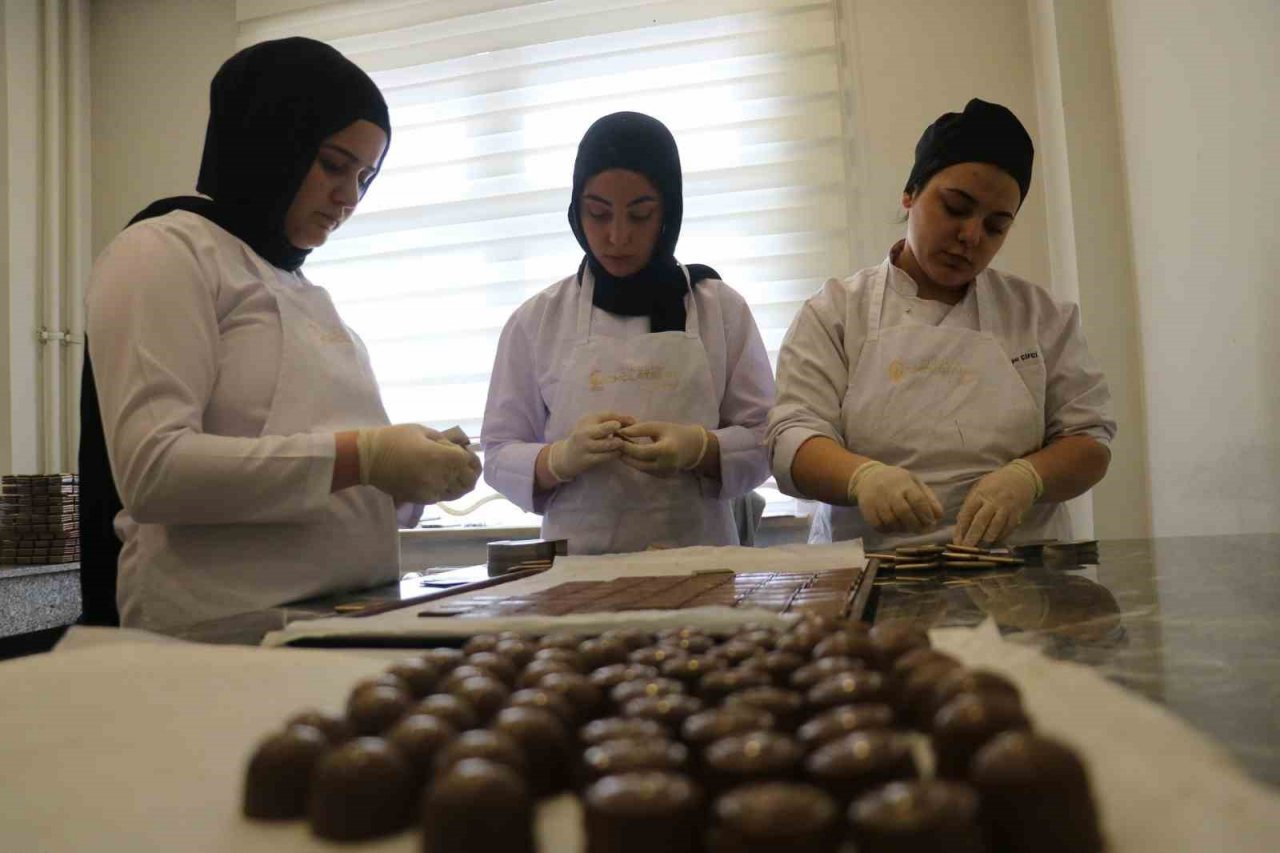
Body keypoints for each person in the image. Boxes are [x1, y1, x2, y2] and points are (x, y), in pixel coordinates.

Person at [82, 38, 480, 632]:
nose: (349, 197)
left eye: (366, 177)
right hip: (216, 633)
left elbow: (321, 481)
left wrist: (410, 479)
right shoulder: (164, 251)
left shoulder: (308, 296)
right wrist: (367, 456)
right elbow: (154, 472)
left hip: (339, 616)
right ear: (273, 139)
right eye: (334, 165)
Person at [767, 99, 1115, 551]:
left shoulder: (1041, 317)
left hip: (1019, 569)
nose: (971, 236)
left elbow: (1089, 441)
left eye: (996, 226)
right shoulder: (835, 313)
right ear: (910, 193)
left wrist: (1028, 477)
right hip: (873, 571)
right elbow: (791, 440)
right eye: (954, 208)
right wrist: (862, 478)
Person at [481, 112, 775, 554]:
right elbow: (499, 453)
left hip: (701, 566)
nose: (617, 236)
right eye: (598, 213)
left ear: (668, 211)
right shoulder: (537, 321)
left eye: (640, 215)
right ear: (576, 211)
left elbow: (767, 438)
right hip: (577, 574)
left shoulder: (719, 310)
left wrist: (702, 449)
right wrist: (557, 459)